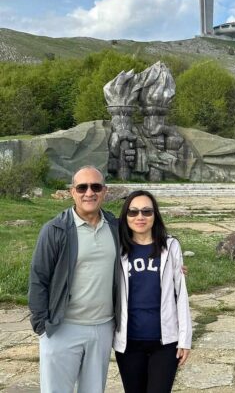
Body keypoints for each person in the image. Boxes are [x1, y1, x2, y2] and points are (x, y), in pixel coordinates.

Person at [28, 165, 121, 393]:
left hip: (102, 327)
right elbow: (38, 278)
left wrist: (172, 261)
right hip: (62, 328)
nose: (89, 193)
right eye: (82, 187)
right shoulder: (54, 230)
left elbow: (146, 241)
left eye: (95, 187)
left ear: (105, 191)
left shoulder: (116, 227)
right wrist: (41, 325)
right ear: (72, 192)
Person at [113, 189, 192, 393]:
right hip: (129, 342)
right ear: (125, 216)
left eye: (147, 211)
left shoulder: (170, 246)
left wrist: (185, 339)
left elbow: (181, 295)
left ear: (155, 215)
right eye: (133, 212)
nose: (140, 216)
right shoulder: (117, 248)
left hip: (165, 342)